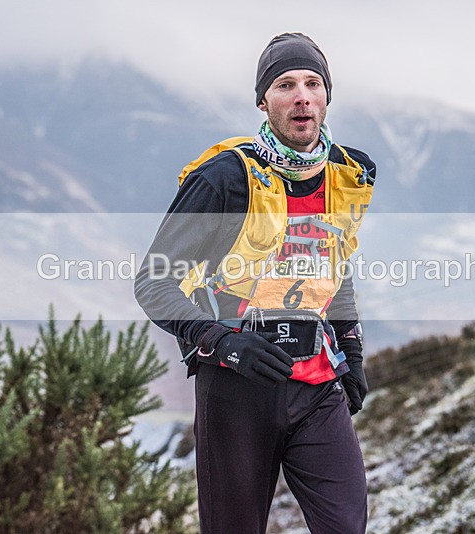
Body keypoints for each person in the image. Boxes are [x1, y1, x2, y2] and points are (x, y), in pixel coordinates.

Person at [134, 32, 376, 534]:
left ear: (327, 96)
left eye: (313, 83)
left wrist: (351, 352)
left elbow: (336, 269)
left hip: (317, 389)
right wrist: (223, 344)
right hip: (236, 390)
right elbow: (154, 283)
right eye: (285, 84)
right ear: (263, 101)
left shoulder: (344, 176)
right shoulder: (224, 178)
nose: (302, 95)